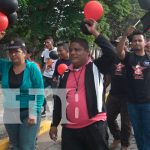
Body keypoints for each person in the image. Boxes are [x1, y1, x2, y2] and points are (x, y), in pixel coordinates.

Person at [49, 19, 116, 150]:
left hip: (94, 127)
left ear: (87, 53)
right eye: (71, 50)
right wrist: (54, 124)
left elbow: (112, 53)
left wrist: (94, 32)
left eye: (77, 50)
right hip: (70, 130)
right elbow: (59, 100)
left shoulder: (96, 67)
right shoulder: (65, 72)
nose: (73, 52)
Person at [0, 32, 44, 150]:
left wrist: (34, 112)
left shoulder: (32, 68)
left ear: (24, 53)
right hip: (10, 112)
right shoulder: (5, 66)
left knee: (26, 146)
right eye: (10, 52)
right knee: (15, 145)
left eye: (16, 51)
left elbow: (40, 91)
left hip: (29, 112)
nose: (13, 54)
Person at [117, 27, 150, 150]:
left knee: (148, 131)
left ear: (144, 42)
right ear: (131, 43)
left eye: (139, 40)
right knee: (138, 131)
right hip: (132, 103)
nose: (136, 42)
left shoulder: (149, 57)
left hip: (148, 102)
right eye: (134, 40)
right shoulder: (128, 57)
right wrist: (125, 34)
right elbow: (119, 51)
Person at [106, 37, 131, 150]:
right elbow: (109, 76)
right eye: (116, 44)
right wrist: (103, 89)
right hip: (113, 94)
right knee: (109, 117)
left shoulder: (132, 58)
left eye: (122, 44)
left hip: (128, 96)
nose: (119, 46)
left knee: (126, 123)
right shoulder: (112, 59)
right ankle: (117, 137)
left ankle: (124, 145)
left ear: (127, 45)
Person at [41, 36, 58, 117]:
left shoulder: (57, 50)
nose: (46, 44)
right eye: (45, 42)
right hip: (45, 76)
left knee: (56, 95)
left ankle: (57, 111)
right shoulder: (45, 51)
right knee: (40, 91)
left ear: (52, 43)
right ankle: (43, 110)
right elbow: (45, 63)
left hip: (54, 77)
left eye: (48, 42)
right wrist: (41, 73)